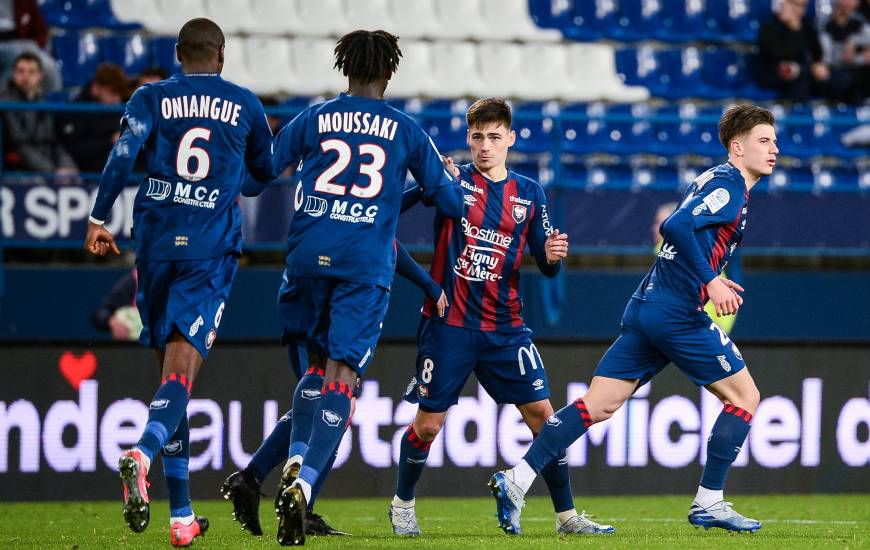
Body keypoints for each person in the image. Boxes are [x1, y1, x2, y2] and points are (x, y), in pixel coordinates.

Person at [489, 105, 778, 535]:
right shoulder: (729, 186)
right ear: (738, 147)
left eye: (774, 140)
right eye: (764, 140)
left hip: (648, 305)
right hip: (678, 312)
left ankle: (516, 480)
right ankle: (709, 502)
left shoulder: (719, 182)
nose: (775, 149)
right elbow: (676, 225)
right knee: (745, 398)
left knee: (598, 404)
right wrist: (711, 281)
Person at [254, 29, 464, 546]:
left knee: (311, 367)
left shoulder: (313, 117)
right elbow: (452, 204)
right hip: (361, 267)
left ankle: (293, 459)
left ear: (344, 68)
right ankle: (302, 484)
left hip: (304, 259)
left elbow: (259, 172)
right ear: (389, 72)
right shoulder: (406, 129)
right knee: (342, 378)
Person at [83, 18, 275, 547]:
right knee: (181, 377)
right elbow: (265, 172)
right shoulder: (244, 103)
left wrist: (99, 219)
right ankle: (141, 452)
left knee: (170, 382)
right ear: (220, 53)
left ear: (177, 53)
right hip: (208, 251)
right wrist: (234, 176)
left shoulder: (150, 98)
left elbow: (123, 154)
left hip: (154, 247)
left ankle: (182, 516)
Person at [388, 98, 611, 538]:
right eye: (477, 137)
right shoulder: (453, 181)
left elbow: (545, 262)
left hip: (506, 327)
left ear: (510, 138)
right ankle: (402, 503)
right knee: (429, 424)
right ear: (468, 139)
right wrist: (427, 183)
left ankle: (566, 517)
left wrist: (551, 258)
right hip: (448, 323)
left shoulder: (529, 193)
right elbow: (388, 211)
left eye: (494, 137)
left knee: (545, 418)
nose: (485, 147)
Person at [220, 240, 447, 538]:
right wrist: (428, 283)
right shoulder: (369, 206)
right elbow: (386, 225)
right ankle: (299, 497)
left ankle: (255, 480)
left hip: (306, 280)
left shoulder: (339, 201)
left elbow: (383, 220)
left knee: (327, 398)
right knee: (339, 399)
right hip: (333, 287)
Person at [652, 202, 743, 334]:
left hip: (700, 327)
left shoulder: (677, 251)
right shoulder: (693, 252)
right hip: (703, 327)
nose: (656, 227)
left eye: (659, 222)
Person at [0, 51, 77, 180]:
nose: (26, 76)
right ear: (14, 75)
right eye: (21, 71)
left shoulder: (42, 103)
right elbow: (20, 145)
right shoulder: (6, 103)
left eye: (31, 72)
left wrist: (68, 167)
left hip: (44, 167)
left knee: (75, 180)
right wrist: (52, 172)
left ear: (40, 76)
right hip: (17, 170)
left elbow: (53, 141)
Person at [57, 63, 130, 173]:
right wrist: (110, 141)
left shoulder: (122, 105)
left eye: (119, 95)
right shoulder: (76, 108)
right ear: (96, 88)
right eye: (112, 93)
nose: (117, 100)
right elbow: (75, 148)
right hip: (86, 170)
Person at [756, 0, 830, 102]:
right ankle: (799, 113)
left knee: (837, 76)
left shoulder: (806, 23)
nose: (799, 10)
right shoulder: (769, 25)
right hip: (774, 72)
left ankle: (842, 111)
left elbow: (817, 51)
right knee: (798, 76)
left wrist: (818, 64)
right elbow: (781, 55)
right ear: (784, 3)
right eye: (795, 5)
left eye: (803, 6)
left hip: (803, 69)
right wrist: (794, 31)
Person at [818, 0, 870, 103]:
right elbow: (827, 58)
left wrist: (853, 41)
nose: (850, 3)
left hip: (857, 69)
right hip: (834, 70)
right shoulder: (825, 23)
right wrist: (854, 57)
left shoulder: (859, 20)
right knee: (843, 78)